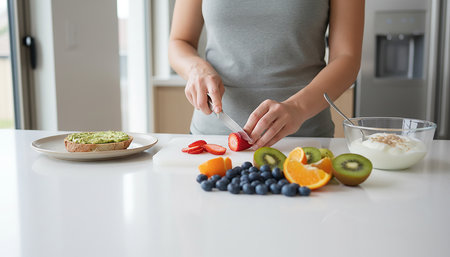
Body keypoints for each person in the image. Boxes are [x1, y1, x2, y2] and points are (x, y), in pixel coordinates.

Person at [168, 0, 364, 149]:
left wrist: (297, 108)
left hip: (302, 142)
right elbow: (179, 41)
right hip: (213, 140)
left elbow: (347, 58)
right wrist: (196, 69)